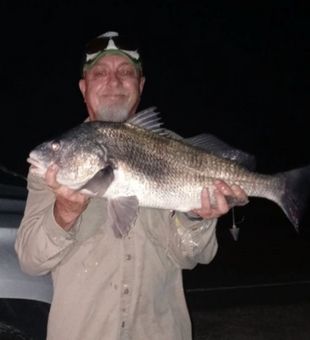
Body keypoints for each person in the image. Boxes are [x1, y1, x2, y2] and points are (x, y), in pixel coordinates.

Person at [15, 31, 248, 340]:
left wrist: (194, 218)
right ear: (84, 88)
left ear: (140, 86)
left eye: (125, 73)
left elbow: (193, 257)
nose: (113, 82)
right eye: (100, 73)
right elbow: (30, 262)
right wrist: (64, 214)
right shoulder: (51, 173)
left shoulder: (179, 153)